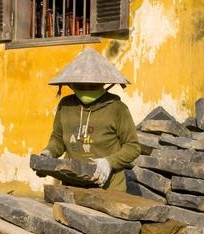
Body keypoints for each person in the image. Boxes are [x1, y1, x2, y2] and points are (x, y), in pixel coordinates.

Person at [40, 47, 141, 192]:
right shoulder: (66, 105)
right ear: (71, 84)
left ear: (104, 83)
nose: (87, 88)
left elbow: (133, 147)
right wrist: (49, 152)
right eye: (81, 84)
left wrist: (109, 163)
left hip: (109, 189)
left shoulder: (118, 109)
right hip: (72, 186)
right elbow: (58, 138)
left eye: (93, 85)